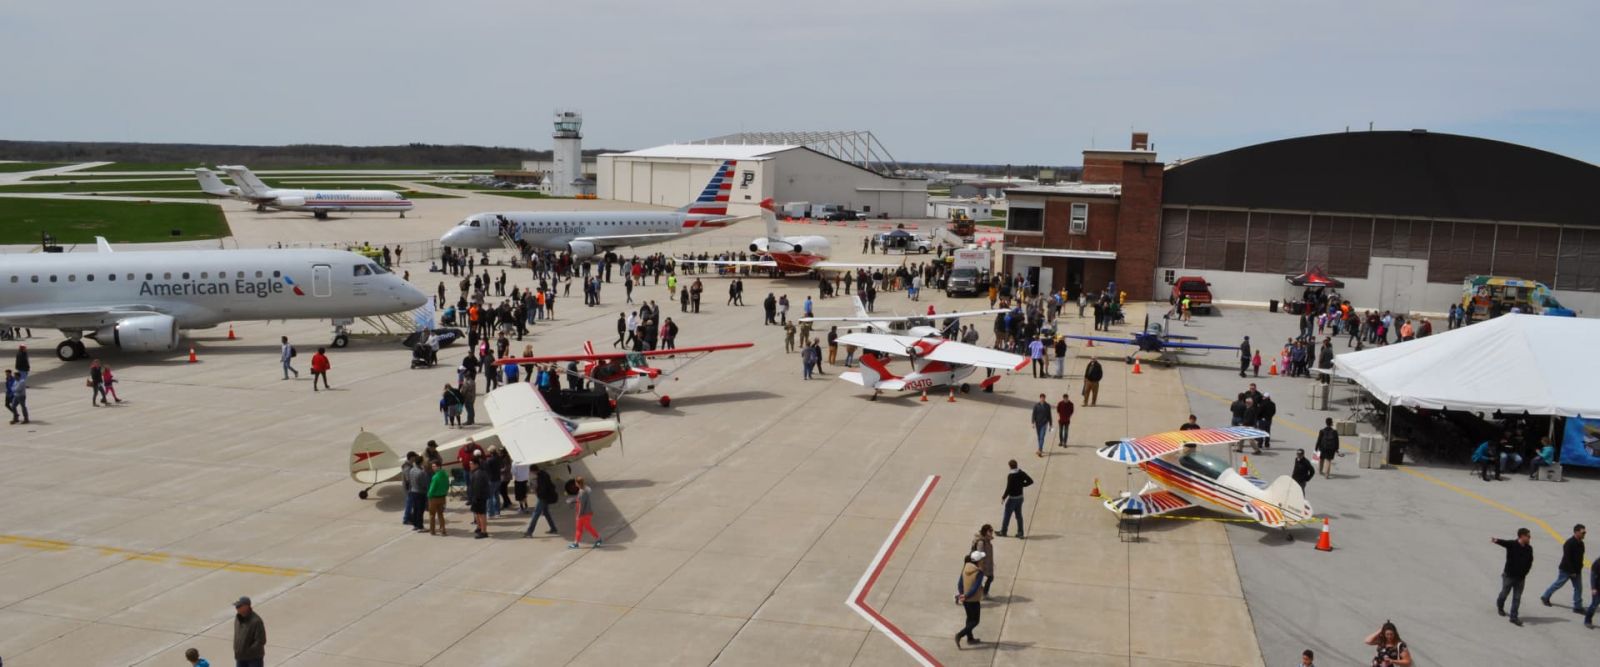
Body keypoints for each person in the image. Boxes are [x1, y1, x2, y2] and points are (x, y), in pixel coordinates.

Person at [1492, 528, 1535, 625]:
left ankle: (1513, 617)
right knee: (1504, 594)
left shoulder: (1529, 548)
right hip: (1509, 576)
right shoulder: (1512, 544)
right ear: (1522, 536)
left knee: (1517, 598)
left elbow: (1530, 562)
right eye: (1528, 536)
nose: (1530, 538)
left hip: (1521, 578)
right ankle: (1500, 606)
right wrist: (1496, 540)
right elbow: (1504, 543)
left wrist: (1525, 573)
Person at [1539, 524, 1586, 613]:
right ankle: (1545, 597)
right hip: (1566, 570)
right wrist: (1572, 571)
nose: (1584, 534)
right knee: (1558, 584)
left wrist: (1580, 567)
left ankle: (1578, 607)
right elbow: (1567, 558)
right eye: (1583, 532)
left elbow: (1581, 557)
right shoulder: (1569, 543)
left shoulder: (1581, 543)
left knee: (1579, 588)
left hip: (1577, 570)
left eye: (1585, 532)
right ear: (1576, 532)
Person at [954, 549, 988, 647]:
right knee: (975, 621)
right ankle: (959, 635)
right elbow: (976, 587)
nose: (983, 561)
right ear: (978, 561)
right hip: (973, 600)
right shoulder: (979, 572)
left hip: (965, 600)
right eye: (982, 559)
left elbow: (960, 583)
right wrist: (967, 595)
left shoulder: (965, 567)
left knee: (969, 619)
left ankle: (970, 638)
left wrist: (962, 594)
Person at [999, 459, 1033, 538]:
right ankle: (1020, 532)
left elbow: (1008, 488)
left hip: (1012, 499)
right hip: (1020, 498)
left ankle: (1003, 531)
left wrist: (1003, 497)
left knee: (1007, 515)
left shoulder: (1011, 476)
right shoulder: (1021, 473)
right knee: (1019, 516)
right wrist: (1023, 485)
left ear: (1010, 466)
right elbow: (1030, 481)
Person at [525, 464, 559, 536]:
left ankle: (529, 531)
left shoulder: (541, 477)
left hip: (543, 497)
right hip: (546, 496)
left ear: (533, 471)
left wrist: (537, 491)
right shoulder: (543, 474)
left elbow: (543, 489)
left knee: (536, 513)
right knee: (546, 512)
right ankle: (553, 528)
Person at [232, 596, 267, 667]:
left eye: (239, 606)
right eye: (236, 606)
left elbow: (261, 641)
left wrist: (247, 651)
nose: (237, 608)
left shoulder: (256, 621)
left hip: (254, 659)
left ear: (246, 606)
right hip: (240, 657)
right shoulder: (237, 619)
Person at [569, 475, 602, 548]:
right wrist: (575, 500)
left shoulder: (581, 492)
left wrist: (579, 515)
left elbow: (581, 504)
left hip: (583, 514)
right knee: (580, 528)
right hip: (587, 513)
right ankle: (576, 543)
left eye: (575, 482)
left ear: (577, 483)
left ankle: (598, 538)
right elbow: (582, 501)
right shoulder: (585, 489)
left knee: (585, 527)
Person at [467, 456, 491, 538]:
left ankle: (484, 532)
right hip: (477, 497)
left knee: (481, 514)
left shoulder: (478, 474)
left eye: (471, 464)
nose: (470, 465)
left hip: (479, 497)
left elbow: (477, 487)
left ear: (476, 464)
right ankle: (479, 527)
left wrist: (475, 498)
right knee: (477, 513)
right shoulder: (476, 472)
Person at [403, 453, 427, 531]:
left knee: (416, 509)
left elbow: (409, 480)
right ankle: (420, 526)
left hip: (413, 491)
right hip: (420, 493)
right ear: (421, 462)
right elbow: (424, 484)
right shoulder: (421, 472)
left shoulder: (412, 469)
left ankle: (415, 525)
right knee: (420, 510)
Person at [971, 525, 996, 595]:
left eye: (992, 531)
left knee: (989, 578)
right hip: (982, 565)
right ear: (985, 531)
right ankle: (982, 593)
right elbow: (979, 555)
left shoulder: (987, 540)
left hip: (987, 564)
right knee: (980, 580)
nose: (991, 532)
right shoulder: (981, 542)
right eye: (990, 531)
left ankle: (983, 593)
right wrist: (980, 566)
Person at [426, 462, 449, 535]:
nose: (433, 468)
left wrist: (428, 495)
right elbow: (447, 486)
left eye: (434, 466)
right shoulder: (445, 475)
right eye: (432, 466)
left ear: (439, 467)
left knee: (432, 515)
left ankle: (432, 530)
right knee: (440, 514)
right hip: (442, 497)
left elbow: (432, 489)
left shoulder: (435, 477)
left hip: (434, 498)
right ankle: (443, 529)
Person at [1585, 553, 1600, 628]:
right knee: (1594, 605)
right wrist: (1593, 588)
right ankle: (1587, 620)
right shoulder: (1597, 563)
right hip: (1598, 588)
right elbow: (1593, 577)